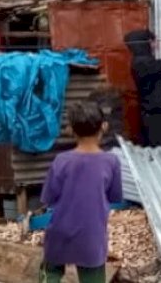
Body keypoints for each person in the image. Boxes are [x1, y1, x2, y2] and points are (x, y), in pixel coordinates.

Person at [40, 102, 123, 283]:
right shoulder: (111, 162)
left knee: (51, 272)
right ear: (104, 126)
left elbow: (48, 198)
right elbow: (115, 197)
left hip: (60, 232)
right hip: (92, 235)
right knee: (93, 278)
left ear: (70, 129)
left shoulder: (61, 160)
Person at [124, 25, 161, 146]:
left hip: (153, 116)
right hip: (155, 118)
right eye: (153, 40)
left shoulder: (142, 61)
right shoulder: (143, 63)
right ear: (145, 44)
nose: (156, 43)